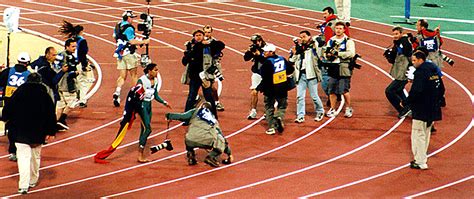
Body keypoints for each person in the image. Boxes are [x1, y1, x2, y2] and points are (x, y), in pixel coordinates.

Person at [1, 73, 56, 194]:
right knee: (35, 157)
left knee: (23, 158)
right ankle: (33, 180)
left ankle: (23, 185)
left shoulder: (18, 93)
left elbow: (7, 110)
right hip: (38, 133)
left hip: (20, 132)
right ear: (40, 82)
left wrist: (6, 119)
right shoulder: (44, 95)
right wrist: (51, 131)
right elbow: (51, 114)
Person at [164, 101, 233, 167]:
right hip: (206, 141)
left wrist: (169, 115)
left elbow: (182, 116)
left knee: (189, 135)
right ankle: (211, 157)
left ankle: (191, 156)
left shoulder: (195, 111)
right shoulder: (213, 119)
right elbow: (222, 138)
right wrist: (229, 153)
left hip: (190, 141)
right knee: (220, 139)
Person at [406, 51, 442, 170]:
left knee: (418, 134)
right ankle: (422, 158)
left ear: (421, 60)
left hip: (421, 109)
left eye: (414, 60)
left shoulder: (421, 73)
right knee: (426, 134)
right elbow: (442, 89)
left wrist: (407, 102)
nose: (413, 63)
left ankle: (420, 161)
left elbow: (416, 91)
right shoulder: (434, 70)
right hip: (433, 108)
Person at [112, 10, 150, 107]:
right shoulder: (129, 28)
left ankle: (117, 92)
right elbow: (132, 41)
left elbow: (115, 37)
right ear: (128, 18)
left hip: (120, 53)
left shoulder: (118, 25)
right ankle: (135, 96)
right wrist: (144, 41)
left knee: (122, 76)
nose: (133, 20)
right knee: (134, 75)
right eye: (132, 18)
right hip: (129, 54)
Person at [135, 63, 171, 163]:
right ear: (149, 71)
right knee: (148, 129)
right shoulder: (141, 80)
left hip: (149, 106)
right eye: (155, 70)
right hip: (142, 106)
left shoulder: (155, 80)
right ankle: (140, 155)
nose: (157, 72)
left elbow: (155, 95)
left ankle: (140, 151)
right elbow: (135, 95)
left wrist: (164, 102)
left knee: (143, 130)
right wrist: (135, 110)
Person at [256, 43, 294, 135]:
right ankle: (279, 116)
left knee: (269, 107)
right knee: (282, 105)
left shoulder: (267, 63)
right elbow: (290, 70)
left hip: (270, 89)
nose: (264, 53)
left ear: (272, 52)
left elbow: (264, 75)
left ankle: (271, 127)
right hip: (282, 87)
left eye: (266, 51)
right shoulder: (282, 59)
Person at [0, 52, 31, 162]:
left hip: (8, 103)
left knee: (11, 127)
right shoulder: (28, 74)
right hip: (22, 105)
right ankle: (20, 150)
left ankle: (12, 151)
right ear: (27, 63)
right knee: (21, 128)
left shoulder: (8, 71)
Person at [289, 30, 324, 123]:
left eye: (304, 37)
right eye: (301, 37)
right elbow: (291, 60)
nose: (302, 39)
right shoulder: (298, 48)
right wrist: (295, 53)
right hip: (301, 75)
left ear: (309, 37)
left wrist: (312, 43)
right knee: (300, 96)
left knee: (314, 96)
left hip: (312, 75)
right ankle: (300, 115)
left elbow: (319, 44)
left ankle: (320, 111)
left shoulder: (313, 47)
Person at [182, 29, 218, 118]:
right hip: (194, 76)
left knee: (209, 96)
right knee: (191, 97)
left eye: (200, 35)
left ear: (203, 36)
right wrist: (189, 53)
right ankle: (186, 117)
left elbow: (221, 45)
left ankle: (214, 115)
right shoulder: (191, 47)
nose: (198, 37)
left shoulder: (208, 46)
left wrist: (209, 42)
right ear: (194, 37)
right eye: (197, 35)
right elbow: (184, 61)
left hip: (205, 76)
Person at [323, 22, 356, 118]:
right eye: (336, 28)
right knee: (331, 89)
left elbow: (351, 53)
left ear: (344, 30)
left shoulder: (348, 41)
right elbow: (326, 52)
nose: (338, 30)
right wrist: (327, 55)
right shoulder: (331, 41)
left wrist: (338, 53)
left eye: (340, 28)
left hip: (344, 67)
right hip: (333, 67)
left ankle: (348, 107)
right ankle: (332, 108)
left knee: (344, 90)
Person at [58, 20, 91, 108]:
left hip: (71, 62)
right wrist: (85, 66)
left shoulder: (71, 40)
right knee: (83, 82)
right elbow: (82, 54)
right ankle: (82, 100)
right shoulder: (82, 41)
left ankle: (75, 97)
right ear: (81, 32)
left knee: (75, 80)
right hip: (79, 63)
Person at [384, 27, 412, 117]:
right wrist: (390, 55)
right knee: (399, 90)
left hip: (404, 73)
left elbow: (409, 56)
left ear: (401, 33)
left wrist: (411, 70)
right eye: (393, 34)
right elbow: (394, 59)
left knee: (389, 91)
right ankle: (408, 107)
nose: (394, 36)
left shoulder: (405, 43)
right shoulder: (398, 43)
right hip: (400, 71)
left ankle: (403, 109)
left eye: (396, 34)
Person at [54, 38, 79, 131]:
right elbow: (66, 71)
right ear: (67, 46)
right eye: (72, 47)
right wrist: (75, 73)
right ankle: (61, 119)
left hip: (58, 84)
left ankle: (54, 124)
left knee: (60, 105)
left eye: (75, 46)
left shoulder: (60, 56)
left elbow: (55, 68)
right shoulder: (66, 56)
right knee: (72, 101)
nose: (74, 48)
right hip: (66, 84)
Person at [203, 25, 226, 111]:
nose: (207, 34)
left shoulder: (215, 42)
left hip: (210, 65)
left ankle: (216, 102)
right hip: (201, 66)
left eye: (209, 32)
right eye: (205, 32)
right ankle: (198, 100)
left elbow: (219, 52)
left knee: (211, 86)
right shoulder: (200, 41)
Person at [243, 33, 266, 119]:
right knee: (254, 91)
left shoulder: (267, 48)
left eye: (255, 42)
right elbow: (246, 58)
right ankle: (253, 111)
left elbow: (267, 60)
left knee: (267, 94)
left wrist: (259, 54)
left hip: (266, 73)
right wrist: (249, 52)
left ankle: (268, 111)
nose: (254, 43)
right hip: (257, 72)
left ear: (260, 41)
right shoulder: (253, 48)